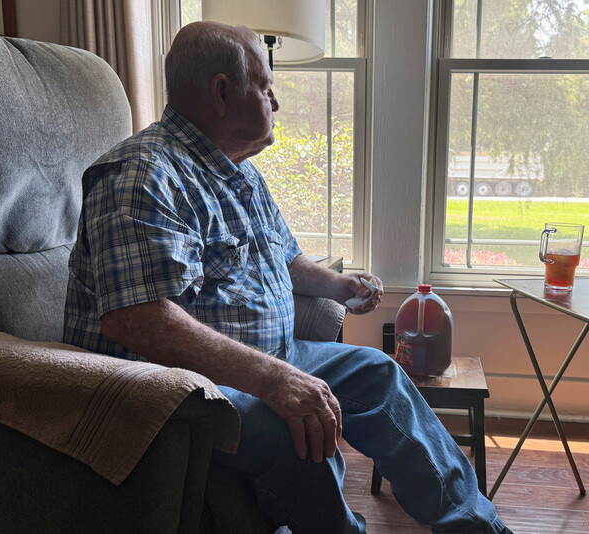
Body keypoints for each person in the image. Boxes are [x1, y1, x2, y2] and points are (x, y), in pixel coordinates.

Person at [63, 21, 511, 534]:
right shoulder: (143, 175)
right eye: (266, 87)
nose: (276, 103)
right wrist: (274, 379)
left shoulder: (241, 174)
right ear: (222, 93)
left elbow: (286, 260)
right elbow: (141, 322)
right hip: (178, 387)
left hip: (270, 356)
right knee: (292, 429)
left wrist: (341, 287)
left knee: (380, 375)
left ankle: (478, 528)